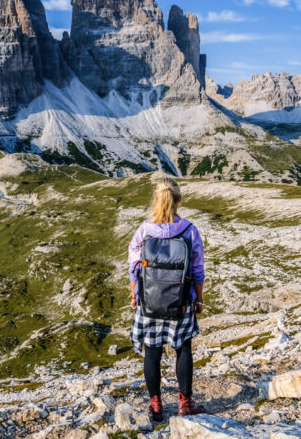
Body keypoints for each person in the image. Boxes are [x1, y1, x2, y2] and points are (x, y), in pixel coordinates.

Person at [128, 177, 206, 422]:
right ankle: (184, 403)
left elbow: (133, 267)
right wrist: (199, 300)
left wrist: (134, 294)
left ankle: (156, 406)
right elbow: (198, 271)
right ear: (178, 201)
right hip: (180, 302)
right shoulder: (189, 231)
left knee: (152, 351)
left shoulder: (144, 230)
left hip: (149, 303)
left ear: (155, 200)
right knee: (183, 348)